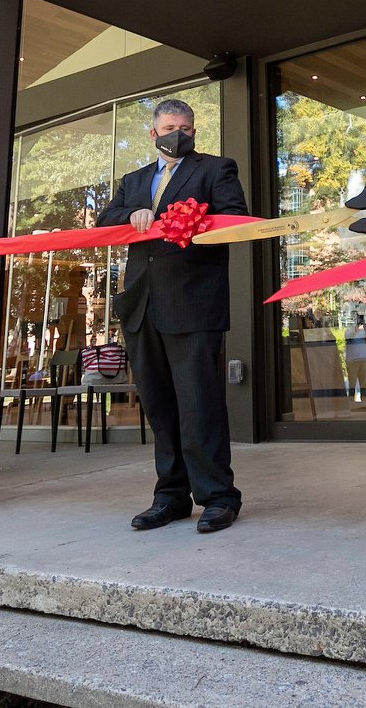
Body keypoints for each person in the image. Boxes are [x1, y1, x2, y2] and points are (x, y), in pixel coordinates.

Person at [97, 99, 249, 534]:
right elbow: (107, 220)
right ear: (153, 133)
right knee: (161, 409)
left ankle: (219, 497)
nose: (177, 132)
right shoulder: (134, 180)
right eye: (169, 126)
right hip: (142, 307)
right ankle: (171, 497)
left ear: (194, 131)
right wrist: (132, 214)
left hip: (193, 304)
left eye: (185, 126)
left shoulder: (215, 169)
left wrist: (191, 219)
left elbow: (233, 220)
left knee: (199, 406)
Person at [343, 314, 366, 403]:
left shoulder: (364, 331)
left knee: (364, 384)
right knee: (352, 383)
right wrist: (357, 327)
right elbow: (349, 337)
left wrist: (365, 328)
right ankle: (351, 402)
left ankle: (364, 402)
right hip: (352, 360)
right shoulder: (348, 331)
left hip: (364, 359)